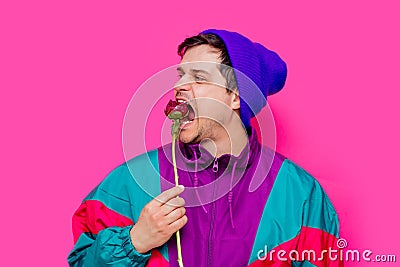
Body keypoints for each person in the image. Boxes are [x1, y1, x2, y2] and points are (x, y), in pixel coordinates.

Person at [68, 29, 343, 266]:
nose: (178, 86)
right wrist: (135, 241)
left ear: (236, 96)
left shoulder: (301, 195)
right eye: (180, 76)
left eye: (198, 78)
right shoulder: (128, 182)